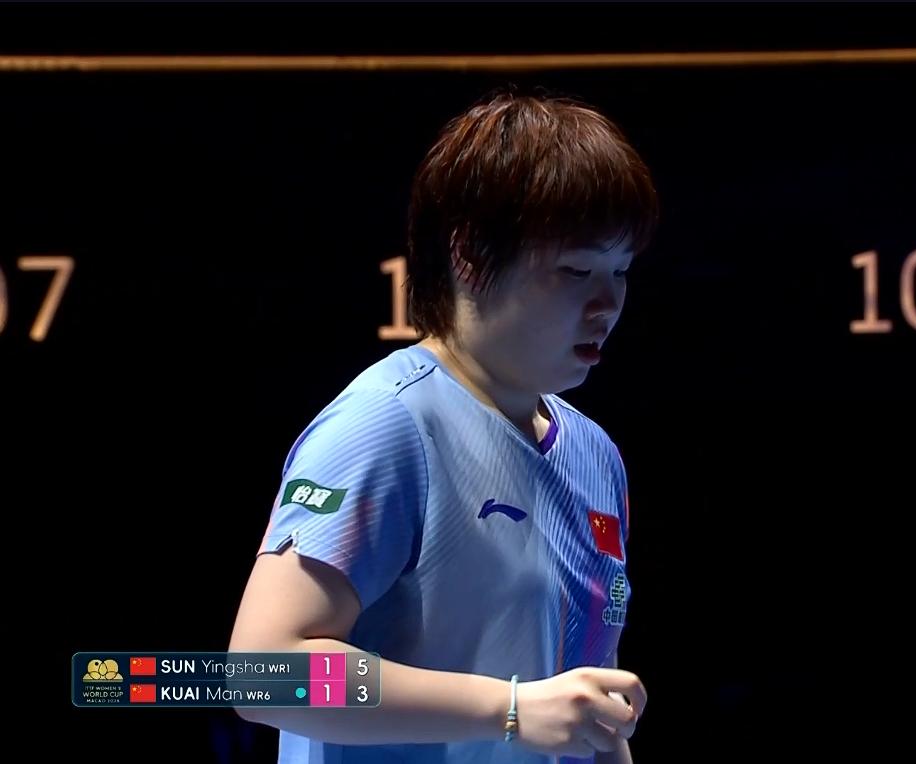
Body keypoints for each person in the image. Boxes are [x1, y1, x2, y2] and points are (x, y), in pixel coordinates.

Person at [229, 87, 659, 763]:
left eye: (621, 271)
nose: (607, 303)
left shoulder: (595, 455)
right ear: (471, 256)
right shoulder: (385, 425)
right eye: (576, 270)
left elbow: (584, 719)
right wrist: (509, 710)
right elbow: (263, 673)